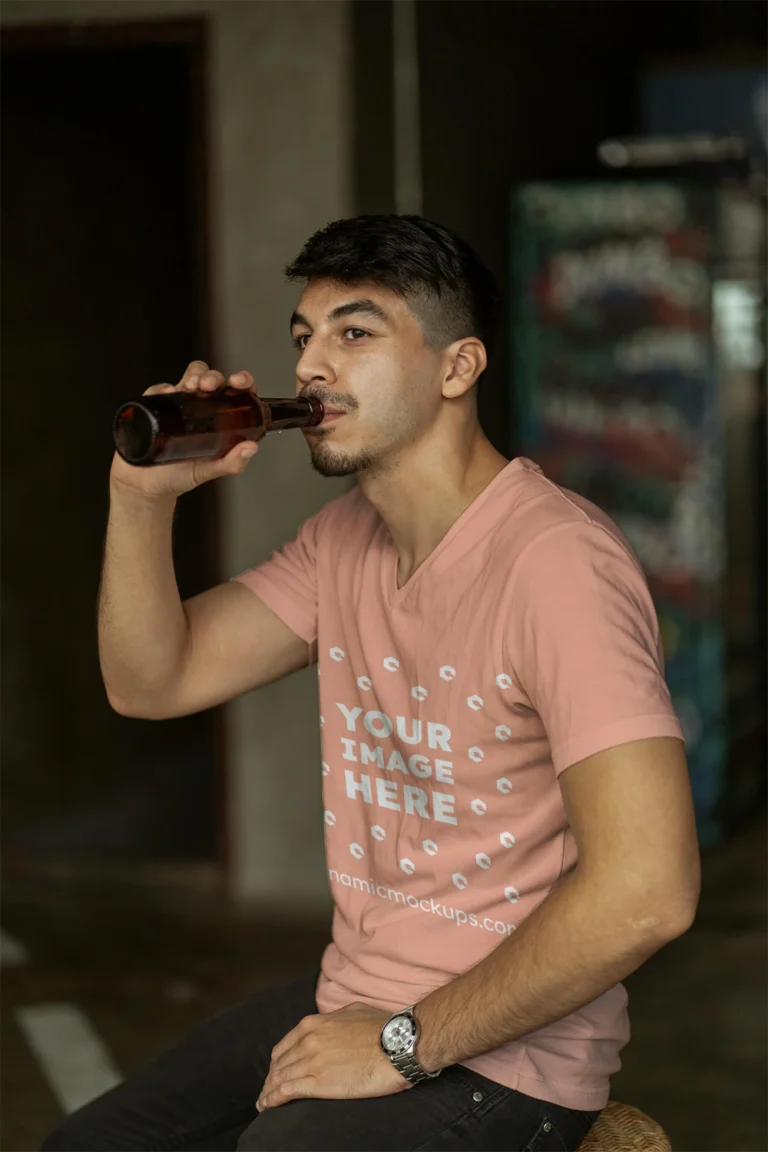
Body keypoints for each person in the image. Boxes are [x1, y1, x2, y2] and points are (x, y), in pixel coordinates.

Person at [49, 215, 700, 1152]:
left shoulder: (558, 568)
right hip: (355, 995)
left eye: (355, 333)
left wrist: (404, 1045)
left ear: (457, 367)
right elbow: (153, 681)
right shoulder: (341, 543)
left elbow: (649, 890)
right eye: (303, 338)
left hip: (504, 1060)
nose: (313, 366)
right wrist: (140, 499)